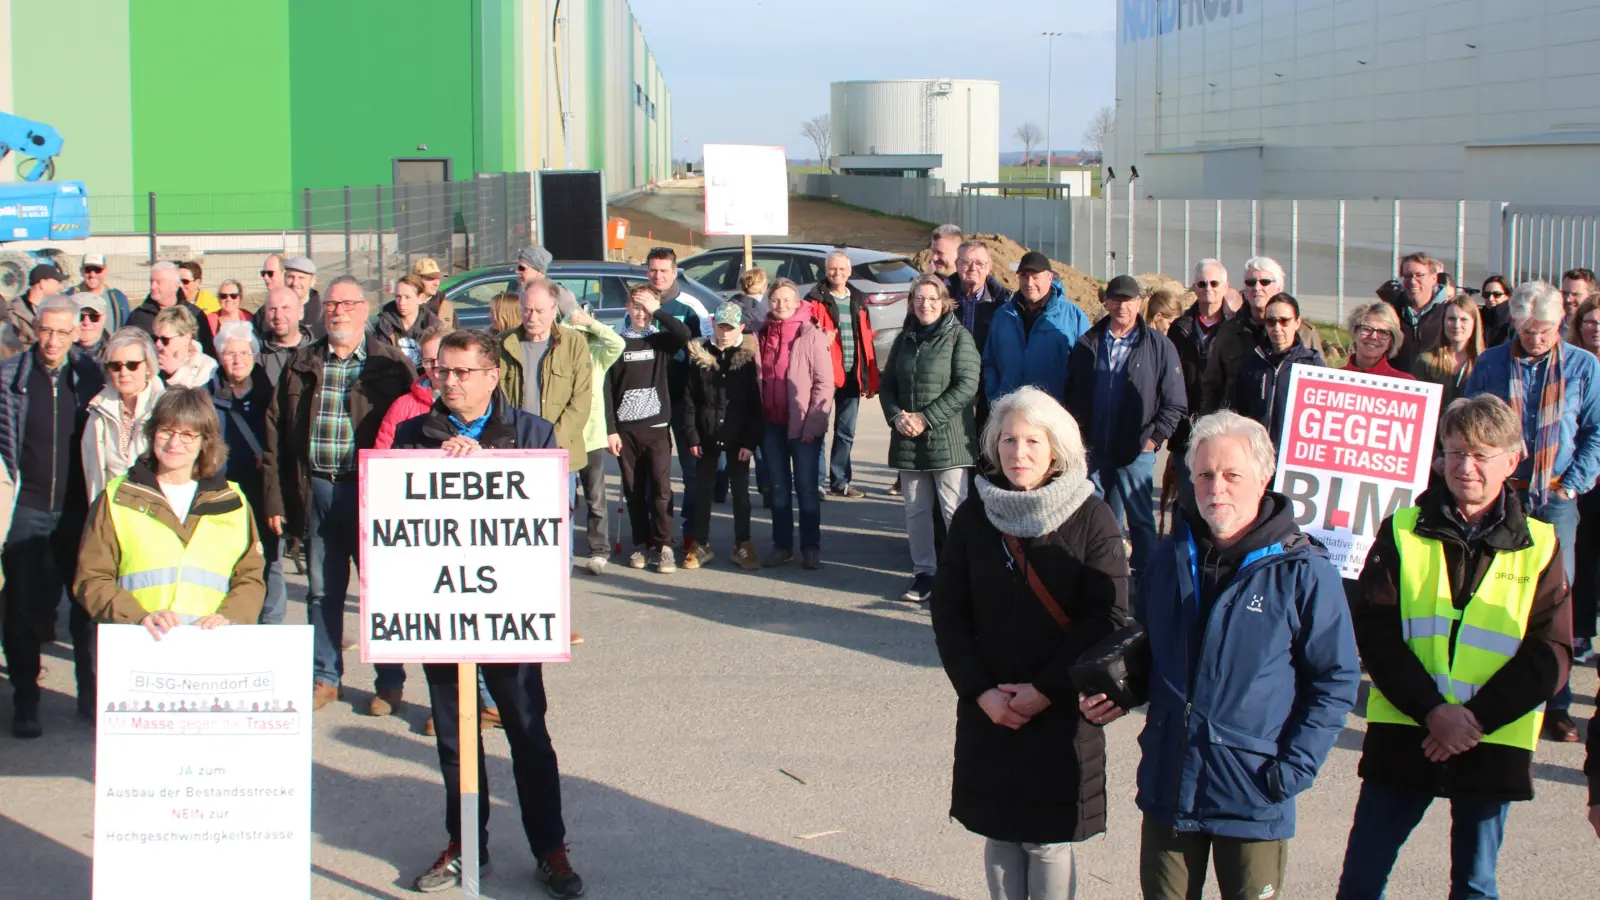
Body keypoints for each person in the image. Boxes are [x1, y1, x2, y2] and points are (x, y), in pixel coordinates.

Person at [1082, 410, 1359, 900]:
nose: (1217, 488)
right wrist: (1116, 691)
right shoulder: (1168, 557)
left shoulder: (1304, 570)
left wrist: (1292, 770)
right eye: (1205, 474)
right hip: (1170, 783)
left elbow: (1335, 680)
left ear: (1264, 477)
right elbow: (1147, 647)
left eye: (1233, 475)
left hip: (1253, 792)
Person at [1338, 394, 1571, 899]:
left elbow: (1550, 654)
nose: (1466, 466)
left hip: (1492, 739)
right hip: (1406, 731)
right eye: (1456, 451)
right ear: (1440, 455)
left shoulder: (1542, 544)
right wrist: (1432, 712)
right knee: (1361, 881)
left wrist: (1472, 721)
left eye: (1482, 455)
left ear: (1513, 461)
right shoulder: (1401, 530)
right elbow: (1375, 631)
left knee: (1475, 885)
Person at [390, 329, 583, 898]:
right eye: (440, 372)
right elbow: (388, 509)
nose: (447, 382)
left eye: (460, 372)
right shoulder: (414, 433)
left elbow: (552, 508)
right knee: (454, 736)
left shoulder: (530, 431)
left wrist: (492, 465)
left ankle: (550, 849)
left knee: (527, 730)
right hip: (443, 607)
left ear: (492, 376)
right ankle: (465, 845)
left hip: (510, 608)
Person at [932, 385, 1129, 900]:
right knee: (999, 833)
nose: (1019, 454)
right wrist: (980, 692)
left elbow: (1106, 617)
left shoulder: (1092, 517)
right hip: (991, 707)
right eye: (1009, 441)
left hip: (1060, 709)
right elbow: (949, 610)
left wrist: (1046, 689)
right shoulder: (975, 515)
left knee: (1047, 842)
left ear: (1056, 447)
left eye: (1033, 442)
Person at [263, 276, 414, 711]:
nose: (339, 311)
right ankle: (325, 677)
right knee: (322, 592)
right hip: (318, 491)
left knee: (381, 593)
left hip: (372, 495)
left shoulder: (389, 364)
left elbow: (412, 427)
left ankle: (389, 682)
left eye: (348, 304)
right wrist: (275, 500)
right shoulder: (302, 362)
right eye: (331, 304)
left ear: (365, 309)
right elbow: (274, 435)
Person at [1464, 279, 1600, 741]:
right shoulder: (1492, 362)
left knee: (1555, 599)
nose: (1535, 338)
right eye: (1526, 330)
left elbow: (1595, 432)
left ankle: (1556, 704)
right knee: (1492, 594)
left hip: (1555, 498)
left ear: (1561, 323)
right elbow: (1468, 416)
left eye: (1544, 330)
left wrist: (1572, 485)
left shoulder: (1583, 366)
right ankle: (1486, 694)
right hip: (1501, 496)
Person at [75, 387, 266, 638]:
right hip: (139, 644)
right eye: (166, 431)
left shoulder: (233, 501)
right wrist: (137, 616)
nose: (175, 443)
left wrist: (231, 616)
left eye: (188, 434)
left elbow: (250, 577)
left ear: (204, 441)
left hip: (210, 649)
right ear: (152, 433)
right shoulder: (117, 497)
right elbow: (92, 577)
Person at [0, 295, 105, 734]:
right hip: (26, 506)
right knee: (20, 609)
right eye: (47, 330)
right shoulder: (10, 377)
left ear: (76, 330)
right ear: (35, 329)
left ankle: (91, 697)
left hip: (78, 509)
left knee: (84, 608)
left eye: (64, 332)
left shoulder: (91, 375)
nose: (53, 340)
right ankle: (26, 699)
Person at [1066, 274, 1187, 579]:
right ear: (1105, 303)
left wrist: (1153, 440)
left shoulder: (1158, 346)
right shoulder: (1087, 343)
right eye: (1116, 300)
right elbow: (1072, 394)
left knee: (1141, 520)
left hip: (1136, 452)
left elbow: (1175, 403)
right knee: (1097, 518)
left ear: (1139, 303)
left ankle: (1148, 582)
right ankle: (1102, 577)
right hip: (1094, 450)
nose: (1122, 306)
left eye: (1129, 300)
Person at [880, 275, 979, 603]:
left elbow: (966, 385)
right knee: (916, 511)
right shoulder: (904, 338)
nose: (926, 304)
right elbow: (887, 384)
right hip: (908, 439)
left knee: (954, 511)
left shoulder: (958, 337)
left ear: (944, 301)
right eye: (919, 298)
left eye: (932, 299)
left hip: (948, 440)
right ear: (911, 302)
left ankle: (962, 577)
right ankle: (924, 573)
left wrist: (927, 418)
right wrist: (897, 416)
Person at [495, 278, 593, 560]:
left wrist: (549, 445)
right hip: (514, 453)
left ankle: (560, 583)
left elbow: (581, 402)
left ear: (554, 310)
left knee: (558, 525)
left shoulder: (574, 343)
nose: (532, 317)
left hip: (559, 454)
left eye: (539, 311)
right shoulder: (504, 344)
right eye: (527, 310)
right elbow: (496, 398)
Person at [607, 284, 692, 574]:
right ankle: (642, 543)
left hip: (656, 427)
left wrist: (657, 310)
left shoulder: (659, 341)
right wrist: (610, 430)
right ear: (627, 309)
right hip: (625, 431)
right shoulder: (617, 343)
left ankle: (665, 545)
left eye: (646, 308)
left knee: (661, 487)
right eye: (636, 306)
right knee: (634, 489)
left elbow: (684, 335)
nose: (640, 313)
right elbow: (606, 390)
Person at [210, 322, 284, 627]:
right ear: (219, 356)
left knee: (270, 564)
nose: (237, 359)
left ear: (254, 355)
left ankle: (271, 631)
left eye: (243, 352)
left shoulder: (271, 396)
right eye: (230, 353)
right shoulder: (206, 396)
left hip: (261, 493)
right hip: (221, 495)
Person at [757, 278, 833, 570]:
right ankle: (782, 545)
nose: (781, 305)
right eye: (775, 299)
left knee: (806, 488)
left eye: (787, 299)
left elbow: (824, 384)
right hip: (771, 425)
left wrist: (814, 424)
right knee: (777, 488)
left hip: (803, 425)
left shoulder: (810, 333)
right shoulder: (761, 332)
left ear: (798, 301)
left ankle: (810, 546)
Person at [683, 303, 764, 571]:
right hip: (706, 435)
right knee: (703, 490)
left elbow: (755, 404)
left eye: (730, 328)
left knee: (740, 493)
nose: (725, 333)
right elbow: (690, 401)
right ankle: (701, 543)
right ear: (713, 325)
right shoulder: (700, 356)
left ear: (740, 327)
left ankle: (743, 543)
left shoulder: (746, 358)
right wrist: (693, 437)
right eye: (721, 327)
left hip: (738, 436)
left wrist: (750, 443)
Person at [643, 247, 713, 557]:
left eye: (664, 270)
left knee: (692, 472)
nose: (658, 276)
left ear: (675, 272)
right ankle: (660, 536)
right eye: (653, 270)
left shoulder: (691, 305)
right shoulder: (637, 304)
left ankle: (693, 537)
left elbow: (704, 350)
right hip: (650, 402)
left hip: (685, 402)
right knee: (655, 474)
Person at [1200, 257, 1322, 414]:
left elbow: (1321, 391)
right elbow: (1213, 387)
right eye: (1250, 282)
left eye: (1265, 282)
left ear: (1279, 287)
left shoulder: (1304, 333)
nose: (1256, 288)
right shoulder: (1228, 332)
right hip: (1239, 426)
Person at [806, 249, 878, 500]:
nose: (837, 273)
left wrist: (870, 375)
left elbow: (866, 339)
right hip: (824, 375)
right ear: (826, 271)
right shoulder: (814, 299)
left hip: (852, 373)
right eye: (832, 269)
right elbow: (805, 333)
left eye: (842, 269)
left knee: (846, 432)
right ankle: (815, 483)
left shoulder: (858, 299)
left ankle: (841, 481)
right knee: (819, 429)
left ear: (849, 271)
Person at [982, 251, 1090, 405]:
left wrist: (1071, 407)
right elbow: (990, 361)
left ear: (1050, 278)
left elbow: (1085, 369)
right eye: (1024, 276)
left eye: (1035, 277)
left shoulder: (1073, 316)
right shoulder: (1003, 315)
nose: (1029, 283)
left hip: (1052, 415)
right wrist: (995, 397)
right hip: (1009, 412)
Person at [566, 306, 625, 576]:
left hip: (592, 439)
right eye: (575, 333)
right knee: (562, 499)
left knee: (595, 499)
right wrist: (570, 322)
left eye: (584, 334)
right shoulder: (560, 355)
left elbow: (618, 342)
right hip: (564, 438)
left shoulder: (598, 356)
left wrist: (590, 322)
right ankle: (559, 548)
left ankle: (598, 551)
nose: (580, 338)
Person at [1228, 294, 1325, 447]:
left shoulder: (1312, 366)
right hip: (1256, 453)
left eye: (1284, 321)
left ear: (1297, 323)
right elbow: (1237, 412)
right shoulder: (1251, 364)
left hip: (1292, 455)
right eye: (1271, 321)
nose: (1277, 328)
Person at [83, 328, 165, 502]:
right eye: (116, 366)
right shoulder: (97, 411)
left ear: (148, 366)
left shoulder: (165, 408)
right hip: (111, 512)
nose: (124, 372)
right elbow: (93, 474)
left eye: (132, 365)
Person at [1571, 297, 1600, 665]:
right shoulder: (1574, 363)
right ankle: (1580, 632)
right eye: (1590, 321)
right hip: (1584, 473)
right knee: (1585, 555)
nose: (1595, 327)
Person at [1413, 295, 1485, 421]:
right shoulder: (1425, 361)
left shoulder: (1485, 364)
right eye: (1451, 319)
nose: (1457, 325)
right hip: (1434, 437)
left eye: (1464, 319)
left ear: (1474, 323)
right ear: (1443, 322)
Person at [127, 261, 217, 359]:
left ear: (175, 285)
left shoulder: (194, 315)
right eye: (151, 281)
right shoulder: (138, 316)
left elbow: (208, 353)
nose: (152, 286)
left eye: (158, 282)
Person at [1384, 251, 1447, 373]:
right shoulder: (1391, 311)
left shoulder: (1448, 313)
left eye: (1419, 275)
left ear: (1434, 278)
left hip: (1435, 386)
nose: (1412, 281)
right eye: (1407, 276)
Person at [950, 238, 1012, 354]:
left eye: (979, 263)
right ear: (957, 264)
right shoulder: (941, 298)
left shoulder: (1002, 304)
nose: (973, 268)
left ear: (988, 267)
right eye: (967, 262)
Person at [375, 274, 442, 369]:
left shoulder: (433, 326)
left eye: (407, 297)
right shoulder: (384, 324)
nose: (401, 302)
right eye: (398, 297)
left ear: (420, 298)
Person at [1343, 302, 1415, 380]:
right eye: (1366, 329)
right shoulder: (1332, 379)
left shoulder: (1405, 382)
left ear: (1390, 342)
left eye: (1382, 332)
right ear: (1355, 332)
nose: (1373, 336)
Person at [257, 286, 312, 387]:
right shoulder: (255, 355)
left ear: (300, 312)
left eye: (285, 308)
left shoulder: (319, 352)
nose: (278, 315)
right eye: (272, 309)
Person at [153, 305, 218, 389]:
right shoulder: (152, 364)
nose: (158, 343)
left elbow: (196, 399)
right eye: (155, 338)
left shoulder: (206, 365)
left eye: (164, 339)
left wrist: (176, 373)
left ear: (186, 337)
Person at [268, 255, 325, 340]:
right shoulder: (269, 310)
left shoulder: (323, 312)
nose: (295, 283)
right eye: (291, 277)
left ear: (312, 280)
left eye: (301, 278)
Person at [7, 263, 65, 347]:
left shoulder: (53, 311)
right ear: (42, 283)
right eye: (57, 282)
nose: (60, 287)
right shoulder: (13, 313)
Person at [68, 252, 130, 329]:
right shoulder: (69, 297)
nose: (92, 275)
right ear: (81, 271)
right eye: (88, 270)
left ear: (105, 271)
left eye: (97, 270)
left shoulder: (118, 298)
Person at [411, 257, 456, 327]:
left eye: (438, 278)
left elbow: (456, 336)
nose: (437, 283)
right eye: (431, 278)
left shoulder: (445, 308)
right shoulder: (403, 305)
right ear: (416, 279)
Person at [74, 293, 111, 361]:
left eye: (94, 316)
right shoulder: (56, 354)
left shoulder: (116, 353)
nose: (86, 322)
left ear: (104, 318)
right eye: (80, 317)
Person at [1479, 275, 1513, 347]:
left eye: (1497, 294)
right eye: (1486, 294)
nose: (1491, 298)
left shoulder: (1514, 320)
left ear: (1508, 295)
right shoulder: (1478, 317)